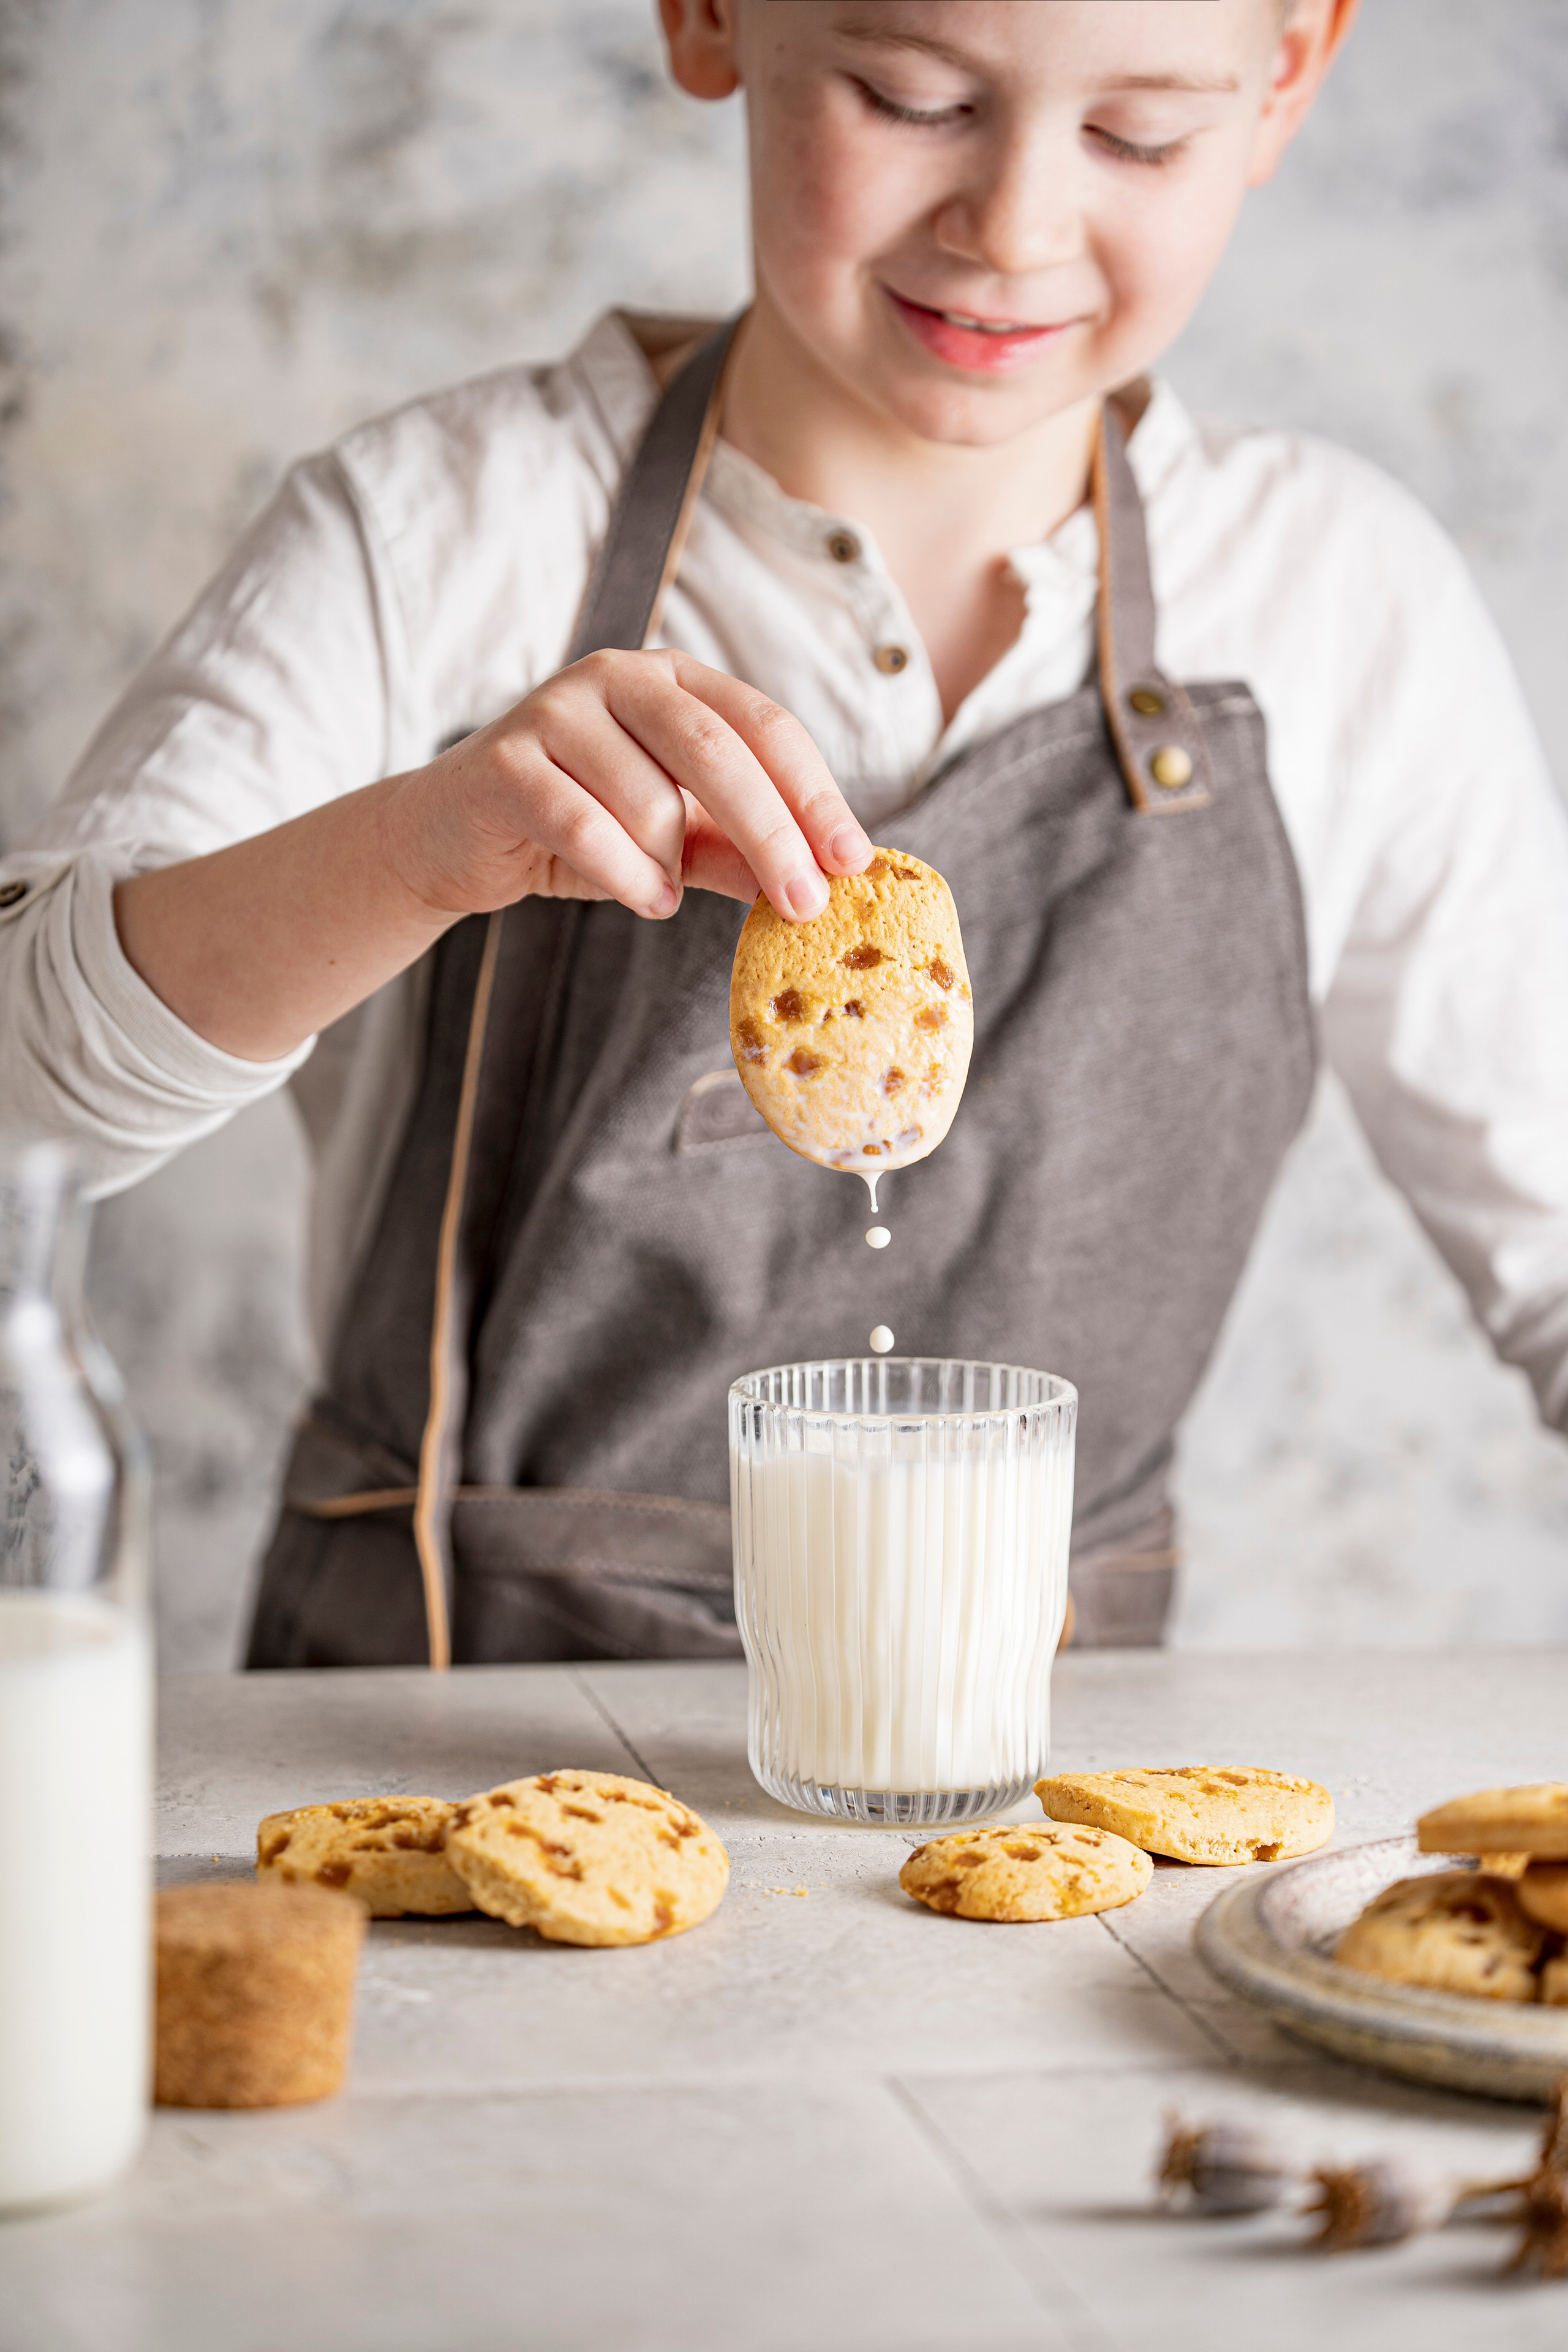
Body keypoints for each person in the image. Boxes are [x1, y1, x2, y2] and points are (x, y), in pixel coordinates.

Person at [2, 1, 1566, 1667]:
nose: (1016, 227)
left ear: (1291, 75)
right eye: (912, 94)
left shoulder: (1342, 608)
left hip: (1048, 1818)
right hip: (445, 1755)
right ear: (710, 17)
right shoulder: (438, 537)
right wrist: (418, 851)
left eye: (1140, 137)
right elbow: (26, 1108)